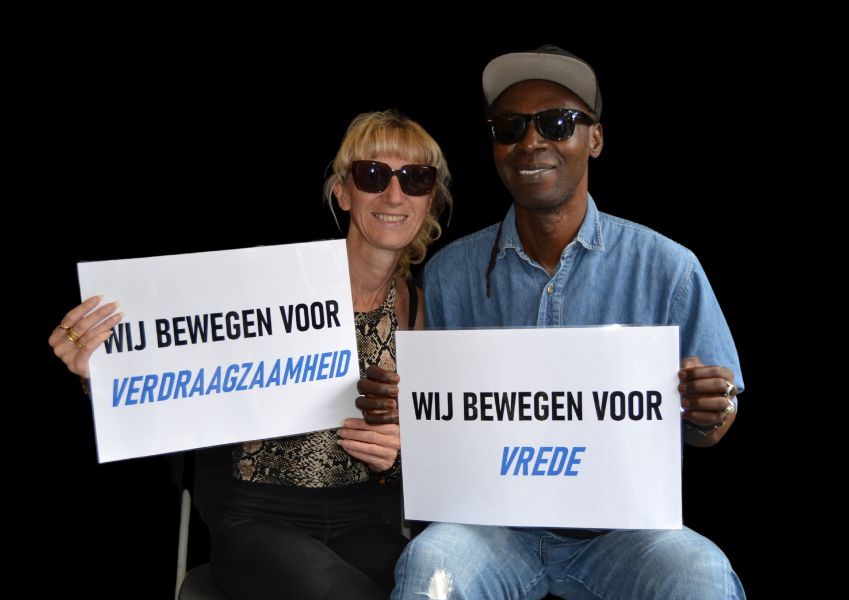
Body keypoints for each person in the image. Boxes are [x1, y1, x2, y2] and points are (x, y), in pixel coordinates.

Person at [358, 46, 745, 599]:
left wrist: (710, 411)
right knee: (432, 565)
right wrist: (396, 405)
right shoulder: (449, 274)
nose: (531, 142)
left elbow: (716, 419)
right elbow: (430, 418)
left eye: (557, 123)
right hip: (489, 527)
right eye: (510, 128)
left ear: (596, 138)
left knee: (700, 574)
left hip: (623, 532)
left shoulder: (668, 267)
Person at [48, 109, 453, 600]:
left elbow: (423, 447)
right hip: (259, 520)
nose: (394, 194)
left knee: (442, 587)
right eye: (373, 175)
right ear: (342, 192)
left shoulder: (416, 306)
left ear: (430, 197)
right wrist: (99, 374)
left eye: (415, 178)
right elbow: (176, 380)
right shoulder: (274, 282)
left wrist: (396, 454)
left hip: (361, 519)